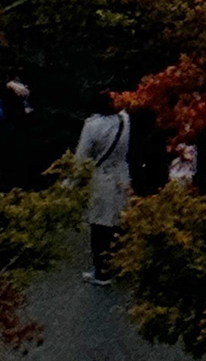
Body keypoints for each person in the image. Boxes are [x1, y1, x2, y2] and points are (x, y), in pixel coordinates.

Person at [75, 101, 135, 283]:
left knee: (99, 225)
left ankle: (101, 270)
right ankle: (120, 264)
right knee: (117, 222)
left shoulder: (92, 125)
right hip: (122, 175)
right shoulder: (125, 119)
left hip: (101, 177)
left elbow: (81, 157)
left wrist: (72, 183)